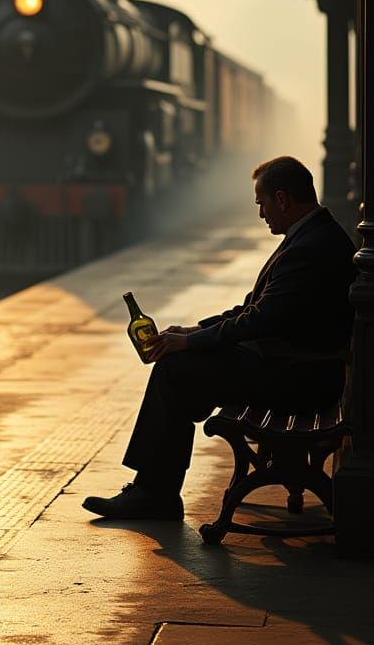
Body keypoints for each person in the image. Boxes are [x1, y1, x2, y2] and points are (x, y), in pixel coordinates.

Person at [82, 156, 356, 521]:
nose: (261, 214)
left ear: (282, 199)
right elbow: (252, 308)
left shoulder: (308, 247)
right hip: (299, 368)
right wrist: (193, 332)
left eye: (262, 203)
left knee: (175, 370)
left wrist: (190, 344)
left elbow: (258, 320)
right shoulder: (313, 235)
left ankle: (154, 493)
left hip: (299, 379)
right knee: (180, 364)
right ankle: (154, 490)